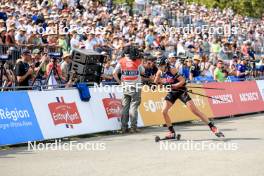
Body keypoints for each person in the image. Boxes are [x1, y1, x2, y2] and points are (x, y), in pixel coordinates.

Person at [154, 57, 224, 139]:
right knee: (164, 111)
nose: (159, 68)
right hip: (172, 92)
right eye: (158, 66)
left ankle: (212, 127)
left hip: (181, 91)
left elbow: (182, 81)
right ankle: (171, 132)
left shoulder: (172, 70)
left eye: (161, 66)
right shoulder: (159, 72)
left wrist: (171, 85)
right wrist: (155, 84)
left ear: (165, 65)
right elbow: (156, 83)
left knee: (195, 111)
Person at [113, 46, 145, 133]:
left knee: (125, 107)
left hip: (125, 86)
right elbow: (143, 72)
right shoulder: (137, 61)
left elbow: (114, 73)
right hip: (136, 86)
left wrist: (120, 82)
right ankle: (133, 127)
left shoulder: (121, 61)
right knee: (134, 107)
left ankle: (124, 128)